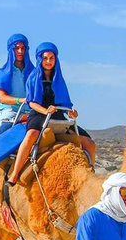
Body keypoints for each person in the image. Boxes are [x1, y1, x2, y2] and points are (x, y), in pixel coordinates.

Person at [6, 42, 95, 185]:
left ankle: (91, 173)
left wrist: (71, 112)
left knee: (89, 142)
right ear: (40, 59)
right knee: (31, 136)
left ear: (56, 59)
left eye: (51, 58)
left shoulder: (59, 79)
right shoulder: (33, 78)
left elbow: (65, 102)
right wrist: (45, 110)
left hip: (58, 115)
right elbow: (32, 102)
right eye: (45, 58)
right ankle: (15, 174)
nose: (48, 61)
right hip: (38, 113)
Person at [0, 34, 35, 191]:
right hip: (11, 110)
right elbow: (2, 97)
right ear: (11, 50)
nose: (20, 51)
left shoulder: (33, 72)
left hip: (31, 110)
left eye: (23, 48)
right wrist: (21, 100)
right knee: (3, 125)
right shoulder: (3, 73)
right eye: (17, 48)